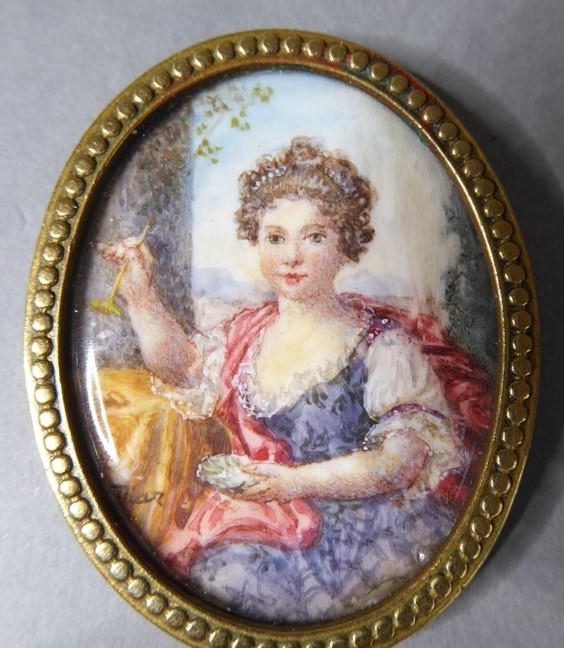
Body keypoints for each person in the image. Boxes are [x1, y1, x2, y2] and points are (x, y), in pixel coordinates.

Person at [98, 137, 492, 622]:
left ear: (345, 246)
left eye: (314, 237)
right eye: (275, 238)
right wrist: (141, 295)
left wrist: (294, 482)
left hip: (363, 530)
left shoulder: (381, 345)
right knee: (216, 573)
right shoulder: (247, 335)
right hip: (275, 522)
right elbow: (180, 368)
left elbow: (402, 462)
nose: (291, 257)